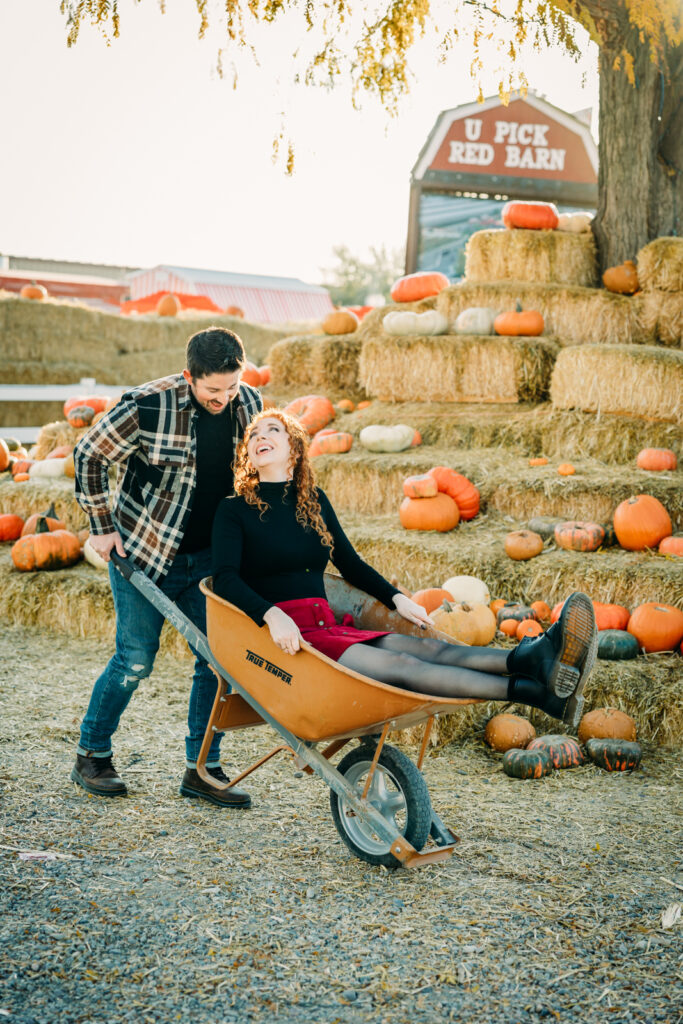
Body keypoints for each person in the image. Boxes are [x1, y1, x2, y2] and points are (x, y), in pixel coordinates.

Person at [211, 409, 597, 739]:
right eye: (254, 435)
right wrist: (270, 614)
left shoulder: (312, 502)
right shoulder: (234, 510)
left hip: (327, 625)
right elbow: (224, 579)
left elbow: (350, 564)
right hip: (290, 641)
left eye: (272, 431)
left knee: (431, 648)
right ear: (248, 453)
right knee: (406, 667)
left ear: (294, 448)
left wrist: (397, 599)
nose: (260, 436)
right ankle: (533, 690)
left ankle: (534, 665)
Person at [71, 327, 262, 809]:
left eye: (231, 387)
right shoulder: (146, 405)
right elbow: (89, 454)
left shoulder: (250, 403)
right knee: (136, 657)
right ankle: (92, 753)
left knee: (217, 661)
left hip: (209, 563)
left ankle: (202, 769)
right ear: (189, 376)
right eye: (212, 389)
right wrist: (101, 526)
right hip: (144, 554)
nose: (223, 398)